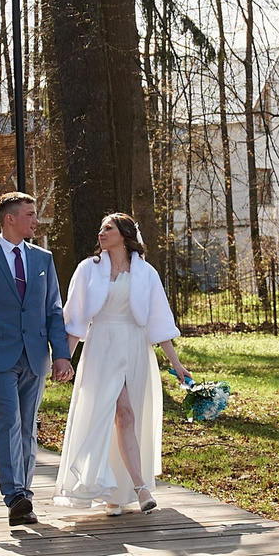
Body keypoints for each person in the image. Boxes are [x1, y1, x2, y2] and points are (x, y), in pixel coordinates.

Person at [55, 212, 186, 515]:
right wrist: (64, 360)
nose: (101, 233)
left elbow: (160, 323)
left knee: (127, 417)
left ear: (125, 236)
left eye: (109, 228)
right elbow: (75, 319)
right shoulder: (88, 270)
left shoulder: (146, 274)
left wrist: (176, 364)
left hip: (135, 347)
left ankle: (117, 492)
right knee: (112, 414)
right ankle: (140, 488)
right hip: (101, 346)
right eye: (100, 228)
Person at [0, 192, 71, 527]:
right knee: (8, 423)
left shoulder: (43, 260)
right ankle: (14, 496)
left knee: (27, 426)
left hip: (35, 356)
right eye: (30, 214)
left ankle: (24, 494)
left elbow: (54, 311)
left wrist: (62, 355)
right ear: (10, 219)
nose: (36, 220)